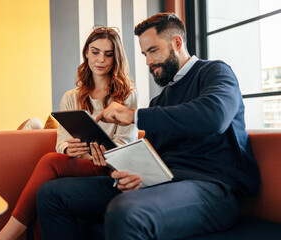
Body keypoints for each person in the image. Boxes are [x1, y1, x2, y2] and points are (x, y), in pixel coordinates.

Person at [37, 12, 260, 240]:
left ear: (177, 42)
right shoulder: (159, 102)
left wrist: (134, 116)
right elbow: (153, 157)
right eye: (145, 54)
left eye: (153, 51)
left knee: (127, 211)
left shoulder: (215, 73)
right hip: (162, 182)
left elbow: (215, 117)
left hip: (211, 187)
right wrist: (134, 175)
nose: (148, 61)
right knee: (52, 194)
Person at [0, 25, 138, 240]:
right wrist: (69, 148)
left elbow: (124, 147)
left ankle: (8, 234)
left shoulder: (128, 95)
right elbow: (61, 143)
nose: (100, 60)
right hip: (81, 164)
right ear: (86, 53)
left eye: (108, 54)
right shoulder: (71, 97)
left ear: (115, 58)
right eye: (95, 52)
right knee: (52, 167)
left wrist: (89, 154)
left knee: (50, 162)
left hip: (109, 169)